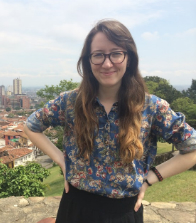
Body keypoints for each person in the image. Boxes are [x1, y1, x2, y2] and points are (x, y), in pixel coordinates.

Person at [24, 19, 196, 223]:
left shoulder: (150, 107)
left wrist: (150, 179)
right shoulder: (70, 102)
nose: (107, 63)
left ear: (129, 58)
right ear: (88, 60)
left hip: (123, 213)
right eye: (98, 55)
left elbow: (192, 148)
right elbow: (31, 126)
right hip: (75, 207)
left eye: (116, 53)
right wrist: (61, 161)